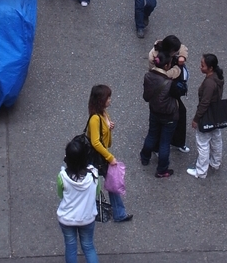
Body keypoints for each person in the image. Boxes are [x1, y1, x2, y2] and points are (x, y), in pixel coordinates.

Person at [86, 85, 133, 223]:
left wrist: (109, 127)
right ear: (101, 100)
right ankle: (119, 213)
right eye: (108, 97)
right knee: (112, 182)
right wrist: (110, 157)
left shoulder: (103, 114)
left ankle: (117, 212)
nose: (110, 100)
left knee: (102, 182)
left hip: (101, 154)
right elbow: (95, 142)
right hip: (98, 156)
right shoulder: (95, 118)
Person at [56, 137, 100, 263]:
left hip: (67, 218)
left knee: (71, 247)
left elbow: (61, 194)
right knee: (88, 246)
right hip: (87, 218)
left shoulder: (62, 176)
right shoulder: (94, 174)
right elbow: (96, 192)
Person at [140, 43, 179, 178]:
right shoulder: (169, 83)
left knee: (152, 134)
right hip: (169, 116)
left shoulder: (148, 76)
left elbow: (146, 97)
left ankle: (145, 157)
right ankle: (162, 169)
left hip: (154, 111)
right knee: (164, 142)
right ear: (167, 66)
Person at [146, 35, 189, 153]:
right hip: (162, 87)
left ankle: (177, 141)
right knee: (164, 115)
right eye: (175, 52)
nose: (176, 53)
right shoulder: (154, 57)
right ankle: (158, 147)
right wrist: (177, 70)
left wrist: (182, 56)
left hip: (169, 85)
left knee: (180, 112)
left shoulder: (168, 47)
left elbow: (183, 48)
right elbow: (160, 74)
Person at [187, 54, 225, 179]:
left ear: (210, 68)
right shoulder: (218, 78)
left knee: (203, 144)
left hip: (206, 116)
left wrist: (196, 119)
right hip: (217, 114)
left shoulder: (209, 83)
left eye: (203, 65)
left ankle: (201, 171)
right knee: (216, 139)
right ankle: (215, 162)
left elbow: (204, 103)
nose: (200, 67)